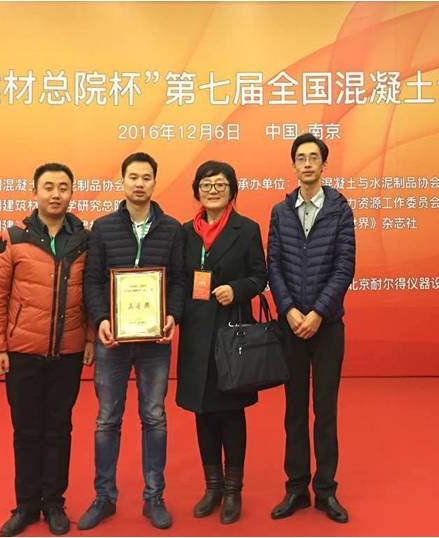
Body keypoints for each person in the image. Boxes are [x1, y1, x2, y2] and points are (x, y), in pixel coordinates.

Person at [0, 162, 95, 536]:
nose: (56, 194)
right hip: (22, 353)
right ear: (35, 192)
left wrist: (90, 338)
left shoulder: (85, 240)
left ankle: (54, 503)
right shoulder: (15, 237)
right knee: (27, 430)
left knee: (59, 428)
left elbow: (93, 293)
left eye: (63, 187)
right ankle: (27, 505)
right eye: (48, 187)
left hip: (68, 353)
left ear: (72, 193)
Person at [80, 152, 184, 531]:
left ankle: (154, 496)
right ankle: (104, 497)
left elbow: (179, 281)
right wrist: (102, 319)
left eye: (146, 177)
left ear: (155, 182)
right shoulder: (103, 228)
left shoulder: (172, 229)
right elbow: (93, 280)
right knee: (107, 419)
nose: (140, 184)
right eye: (133, 177)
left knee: (154, 416)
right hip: (113, 340)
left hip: (155, 341)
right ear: (122, 181)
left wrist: (173, 315)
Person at [267, 133, 356, 524]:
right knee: (294, 412)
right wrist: (288, 310)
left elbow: (344, 266)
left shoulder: (339, 210)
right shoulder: (280, 212)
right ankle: (296, 488)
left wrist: (318, 312)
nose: (307, 163)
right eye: (300, 157)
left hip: (327, 327)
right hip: (290, 327)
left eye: (313, 157)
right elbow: (274, 266)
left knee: (325, 411)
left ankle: (326, 490)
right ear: (293, 165)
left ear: (323, 165)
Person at [176, 161, 267, 524]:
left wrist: (237, 289)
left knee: (230, 411)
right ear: (197, 191)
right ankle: (211, 486)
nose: (213, 190)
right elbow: (179, 281)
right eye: (206, 184)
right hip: (196, 334)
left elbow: (259, 276)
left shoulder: (246, 229)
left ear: (232, 190)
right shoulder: (185, 233)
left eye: (220, 184)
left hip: (231, 333)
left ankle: (232, 490)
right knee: (203, 411)